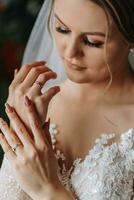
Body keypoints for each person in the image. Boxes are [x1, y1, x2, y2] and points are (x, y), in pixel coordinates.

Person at [0, 0, 134, 199]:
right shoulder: (36, 104)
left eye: (92, 42)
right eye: (62, 29)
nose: (70, 53)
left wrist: (48, 190)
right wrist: (24, 129)